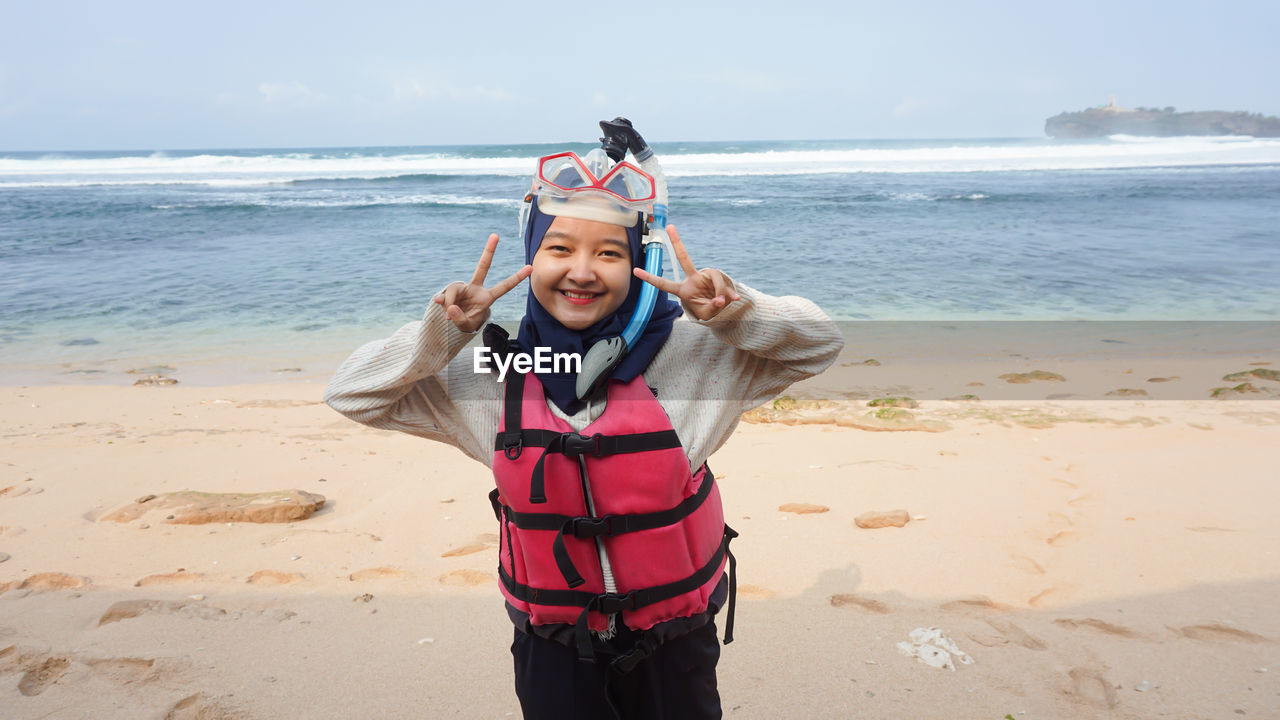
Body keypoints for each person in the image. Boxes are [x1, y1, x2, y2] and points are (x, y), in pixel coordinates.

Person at [324, 123, 843, 719]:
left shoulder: (698, 355)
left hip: (673, 642)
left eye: (609, 253)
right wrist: (440, 335)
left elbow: (818, 344)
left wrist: (737, 315)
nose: (582, 271)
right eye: (560, 249)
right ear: (531, 257)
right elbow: (352, 394)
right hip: (552, 646)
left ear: (637, 265)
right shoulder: (492, 372)